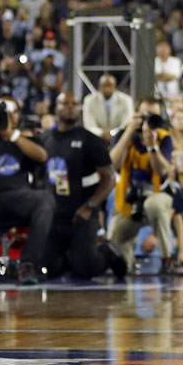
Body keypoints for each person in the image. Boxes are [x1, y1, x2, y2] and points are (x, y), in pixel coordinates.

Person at [42, 90, 123, 279]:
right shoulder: (44, 139)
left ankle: (106, 253)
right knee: (48, 269)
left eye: (74, 104)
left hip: (82, 213)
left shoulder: (90, 140)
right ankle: (69, 257)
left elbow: (109, 179)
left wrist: (91, 205)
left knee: (85, 270)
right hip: (54, 215)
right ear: (56, 107)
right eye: (65, 103)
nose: (70, 107)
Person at [0, 98, 54, 284]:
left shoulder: (27, 139)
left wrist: (11, 134)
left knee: (44, 199)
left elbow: (42, 156)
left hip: (20, 195)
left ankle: (28, 263)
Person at [108, 98, 177, 274]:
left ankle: (166, 258)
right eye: (145, 115)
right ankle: (126, 266)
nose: (148, 120)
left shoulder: (163, 137)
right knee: (114, 242)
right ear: (136, 114)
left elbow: (162, 171)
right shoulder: (124, 134)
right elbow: (112, 165)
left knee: (153, 204)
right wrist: (129, 132)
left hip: (156, 197)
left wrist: (152, 146)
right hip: (128, 201)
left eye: (154, 116)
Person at [81, 74, 134, 140]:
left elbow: (127, 123)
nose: (107, 89)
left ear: (115, 86)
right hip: (96, 138)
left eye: (109, 85)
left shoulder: (126, 100)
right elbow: (89, 125)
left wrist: (112, 133)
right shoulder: (89, 100)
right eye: (104, 86)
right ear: (99, 87)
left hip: (120, 138)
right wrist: (102, 133)